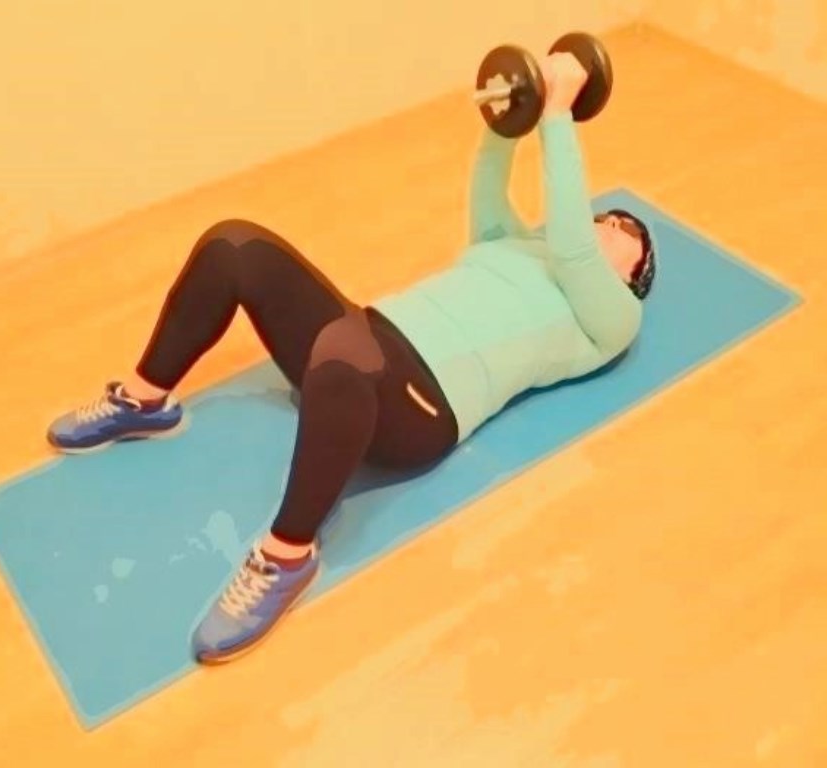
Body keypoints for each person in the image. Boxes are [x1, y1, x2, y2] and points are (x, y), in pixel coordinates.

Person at [46, 52, 657, 664]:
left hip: (421, 404)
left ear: (634, 277)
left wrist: (558, 114)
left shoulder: (611, 318)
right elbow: (492, 174)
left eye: (626, 233)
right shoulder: (517, 247)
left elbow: (575, 249)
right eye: (606, 218)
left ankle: (286, 557)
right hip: (367, 336)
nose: (609, 224)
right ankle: (144, 400)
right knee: (235, 244)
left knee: (346, 354)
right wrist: (516, 107)